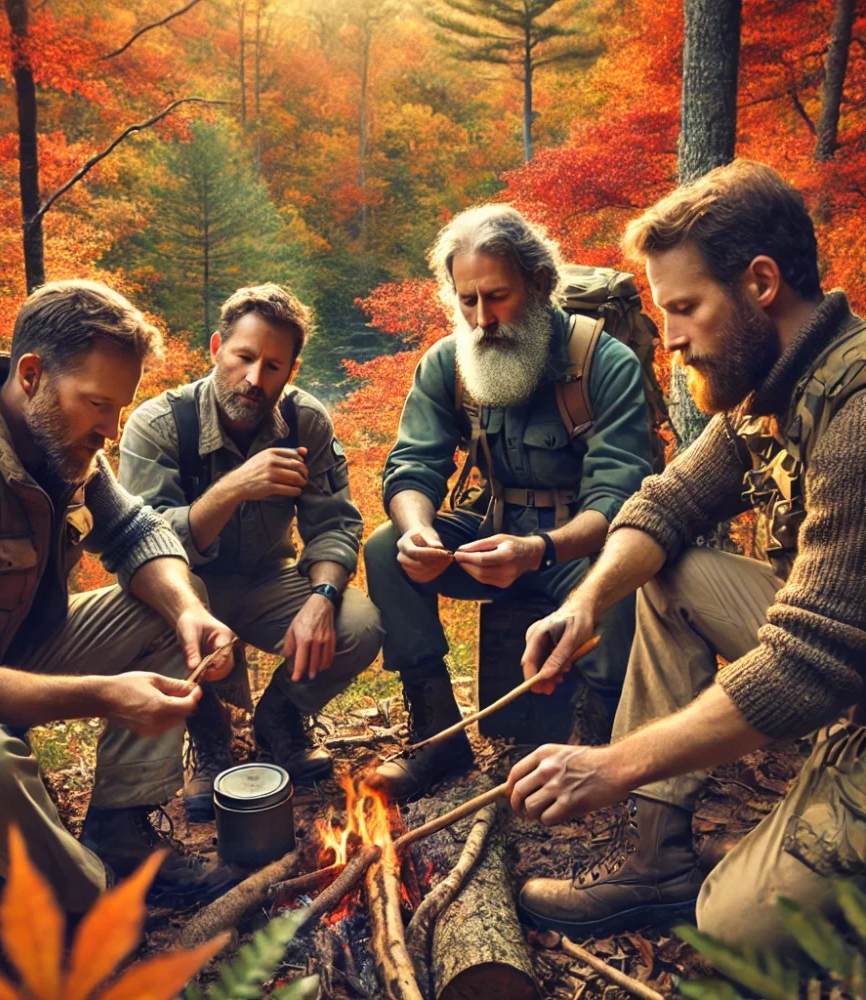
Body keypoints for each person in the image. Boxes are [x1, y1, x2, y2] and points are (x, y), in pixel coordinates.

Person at [508, 159, 866, 950]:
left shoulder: (858, 413)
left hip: (837, 681)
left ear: (761, 283)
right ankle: (656, 860)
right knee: (667, 569)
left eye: (684, 307)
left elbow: (806, 666)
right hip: (839, 670)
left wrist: (611, 766)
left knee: (733, 925)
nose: (667, 337)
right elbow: (666, 504)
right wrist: (583, 603)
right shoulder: (770, 386)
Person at [0, 280, 245, 914]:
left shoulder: (56, 441)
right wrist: (103, 696)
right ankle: (89, 905)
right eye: (98, 404)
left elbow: (137, 532)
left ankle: (123, 837)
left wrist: (189, 611)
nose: (111, 430)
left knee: (171, 599)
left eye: (120, 409)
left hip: (2, 649)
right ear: (33, 374)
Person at [362, 204, 652, 801]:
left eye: (496, 297)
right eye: (466, 301)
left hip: (578, 545)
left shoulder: (603, 363)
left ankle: (593, 749)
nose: (480, 318)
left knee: (624, 584)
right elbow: (413, 464)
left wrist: (540, 550)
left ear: (541, 285)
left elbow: (618, 498)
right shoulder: (448, 362)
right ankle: (438, 740)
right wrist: (419, 530)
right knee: (388, 549)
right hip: (493, 533)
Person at [118, 283, 383, 821]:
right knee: (166, 598)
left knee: (359, 623)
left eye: (273, 366)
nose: (255, 379)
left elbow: (334, 524)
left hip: (269, 579)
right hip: (185, 588)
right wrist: (234, 486)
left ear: (291, 371)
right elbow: (145, 539)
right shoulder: (159, 425)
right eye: (243, 357)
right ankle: (209, 736)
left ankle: (280, 718)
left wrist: (323, 598)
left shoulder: (307, 422)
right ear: (217, 347)